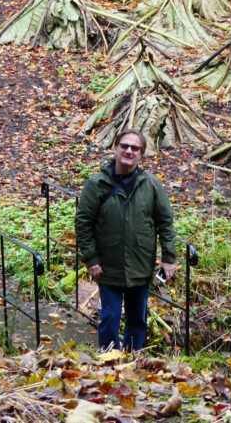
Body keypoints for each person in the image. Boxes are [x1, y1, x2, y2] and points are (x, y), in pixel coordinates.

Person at [75, 129, 176, 352]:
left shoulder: (151, 185)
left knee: (137, 320)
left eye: (134, 148)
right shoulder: (97, 184)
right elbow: (83, 223)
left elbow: (165, 222)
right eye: (124, 146)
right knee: (110, 317)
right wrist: (91, 259)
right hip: (107, 267)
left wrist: (168, 258)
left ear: (141, 154)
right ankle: (108, 362)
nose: (128, 151)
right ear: (116, 148)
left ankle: (133, 361)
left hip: (140, 265)